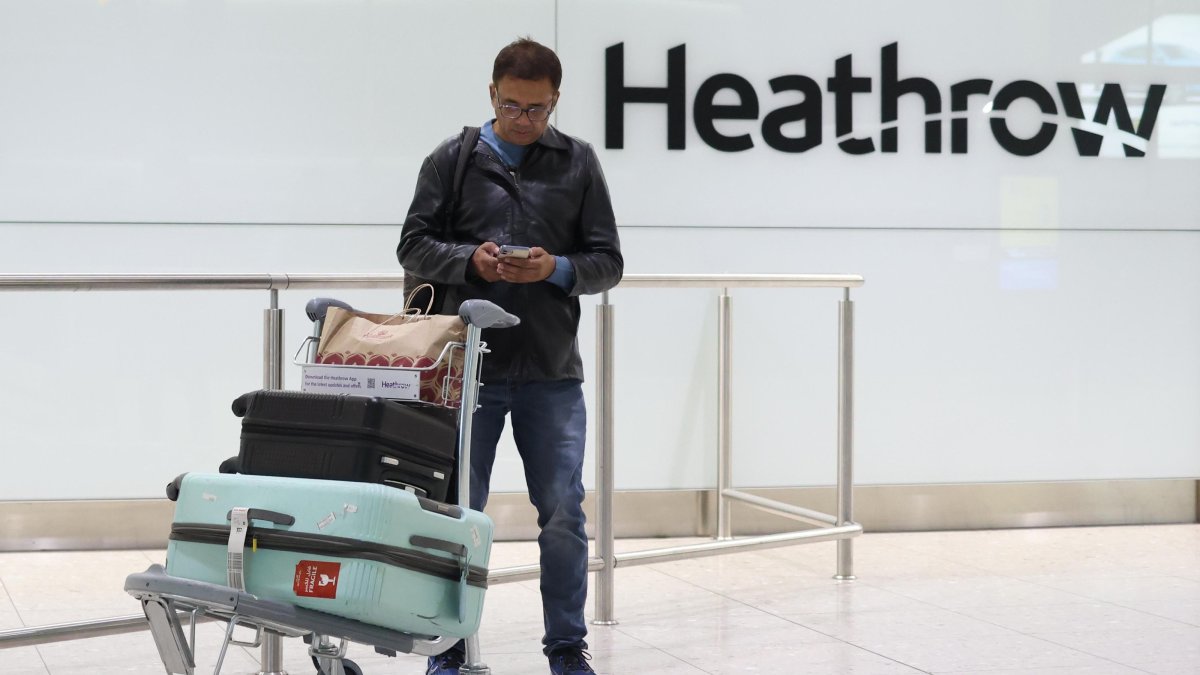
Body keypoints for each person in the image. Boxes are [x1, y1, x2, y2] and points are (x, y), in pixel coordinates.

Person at [397, 37, 623, 675]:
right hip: (466, 372)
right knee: (455, 516)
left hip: (551, 371)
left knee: (562, 513)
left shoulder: (578, 164)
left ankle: (566, 650)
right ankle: (448, 649)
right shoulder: (453, 159)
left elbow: (608, 261)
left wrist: (557, 270)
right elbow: (412, 246)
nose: (523, 119)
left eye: (537, 109)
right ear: (491, 94)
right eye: (511, 105)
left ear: (556, 102)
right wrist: (470, 259)